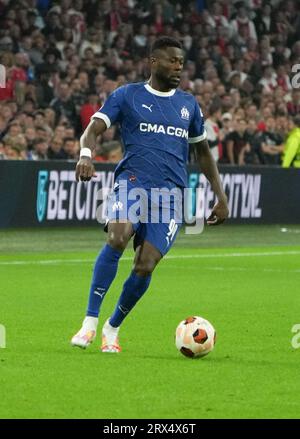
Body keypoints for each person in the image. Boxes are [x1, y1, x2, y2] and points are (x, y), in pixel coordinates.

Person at [71, 37, 229, 353]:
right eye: (172, 61)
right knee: (117, 237)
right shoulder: (127, 96)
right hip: (133, 183)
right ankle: (89, 323)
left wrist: (220, 195)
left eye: (182, 62)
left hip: (170, 197)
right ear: (154, 62)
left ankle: (111, 329)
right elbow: (93, 129)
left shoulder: (188, 104)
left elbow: (202, 151)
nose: (178, 67)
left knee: (144, 265)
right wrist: (86, 154)